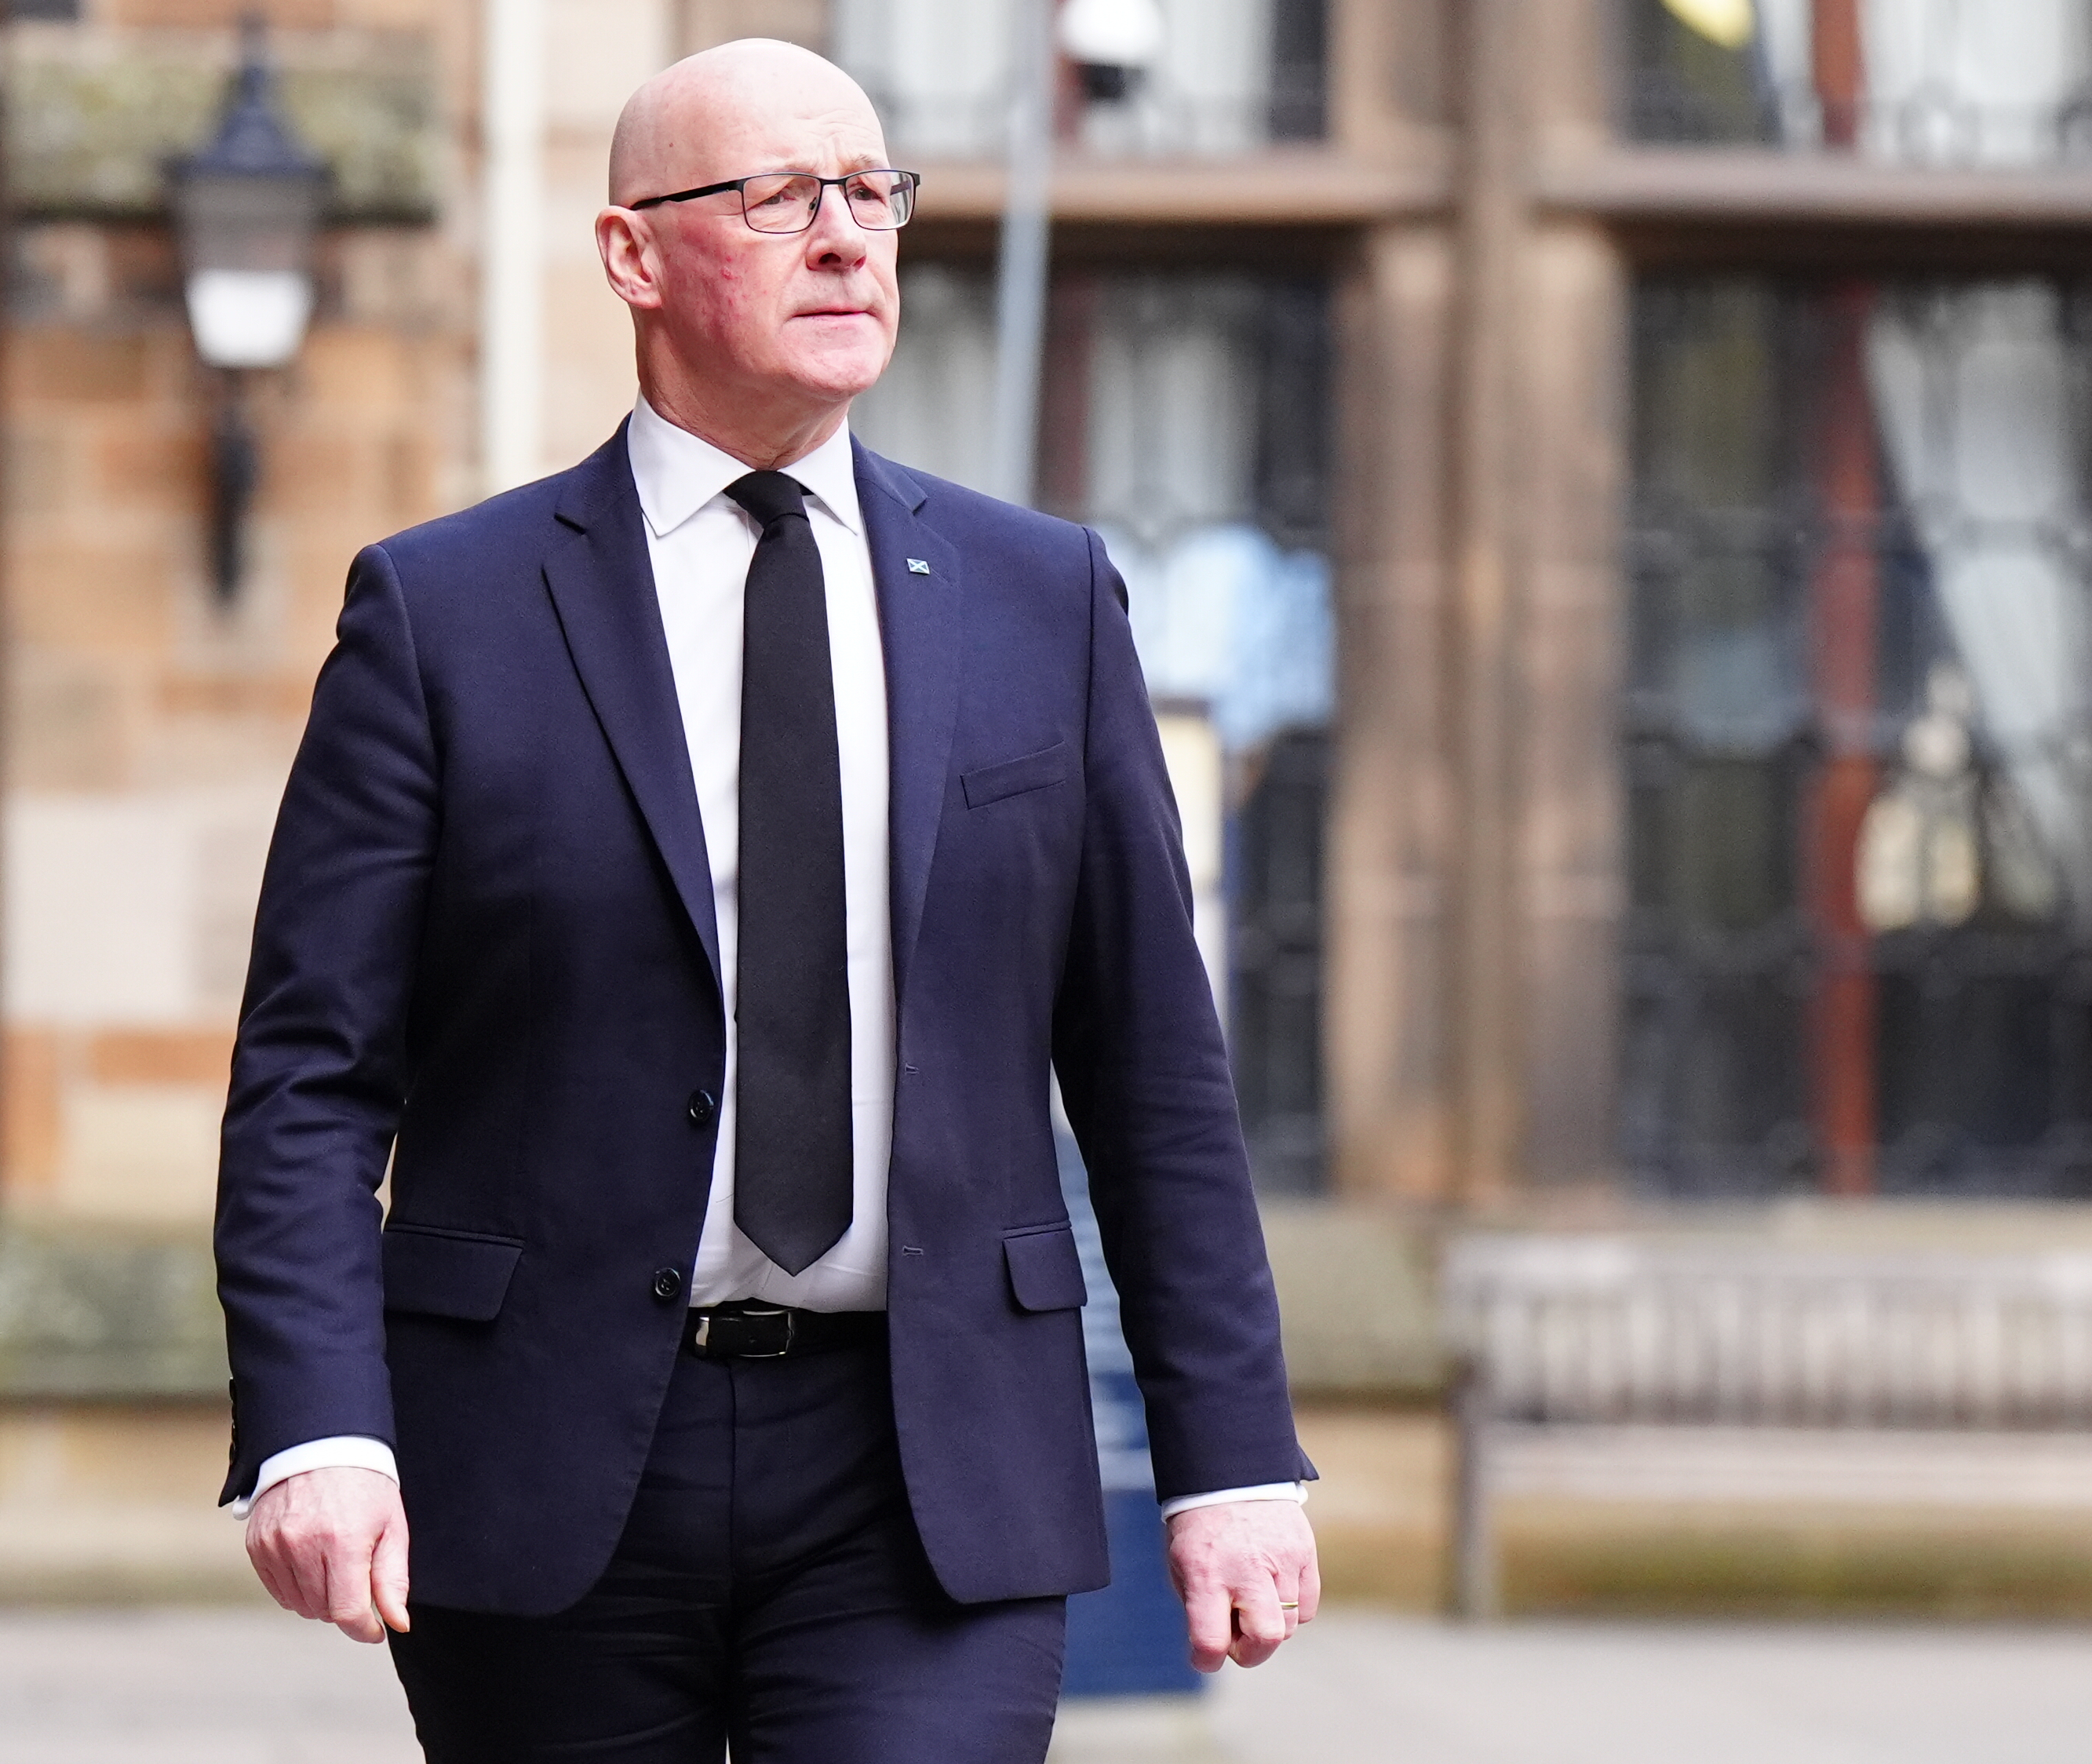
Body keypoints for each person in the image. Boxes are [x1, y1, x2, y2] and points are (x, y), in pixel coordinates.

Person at [213, 36, 1318, 1764]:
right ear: (632, 255)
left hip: (924, 1467)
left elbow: (1149, 1070)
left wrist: (1232, 1453)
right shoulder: (443, 617)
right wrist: (317, 1432)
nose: (844, 237)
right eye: (779, 196)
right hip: (547, 1457)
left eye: (871, 191)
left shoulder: (1043, 599)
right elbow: (309, 1074)